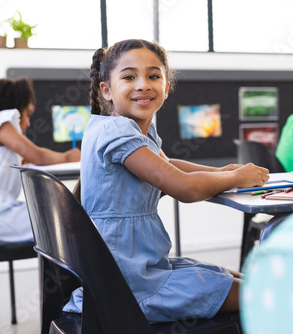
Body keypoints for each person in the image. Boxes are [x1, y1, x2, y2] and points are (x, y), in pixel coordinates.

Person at [64, 39, 269, 323]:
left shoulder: (131, 130)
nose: (143, 85)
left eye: (153, 76)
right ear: (106, 90)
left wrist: (221, 171)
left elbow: (168, 165)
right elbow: (185, 188)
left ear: (166, 87)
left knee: (234, 277)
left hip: (135, 268)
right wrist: (234, 177)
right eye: (128, 77)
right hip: (128, 283)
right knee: (265, 294)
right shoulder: (116, 133)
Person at [0, 77, 80, 244]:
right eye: (27, 114)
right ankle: (69, 270)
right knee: (70, 218)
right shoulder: (0, 122)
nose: (28, 123)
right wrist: (67, 157)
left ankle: (58, 269)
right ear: (13, 107)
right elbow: (37, 156)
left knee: (63, 216)